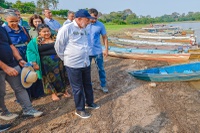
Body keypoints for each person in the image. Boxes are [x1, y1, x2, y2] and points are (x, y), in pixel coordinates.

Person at [55, 9, 100, 119]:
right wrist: (66, 58)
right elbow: (58, 46)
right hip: (73, 64)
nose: (89, 21)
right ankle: (80, 109)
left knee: (88, 84)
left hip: (85, 62)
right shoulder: (67, 28)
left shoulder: (84, 28)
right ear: (79, 19)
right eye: (87, 19)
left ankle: (89, 103)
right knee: (77, 87)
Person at [0, 26, 43, 121]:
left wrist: (19, 59)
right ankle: (4, 112)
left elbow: (11, 46)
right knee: (1, 92)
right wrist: (5, 67)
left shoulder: (1, 29)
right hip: (3, 67)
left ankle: (28, 110)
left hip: (12, 63)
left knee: (20, 87)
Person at [3, 12, 44, 100]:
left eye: (16, 21)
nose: (14, 23)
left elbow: (29, 40)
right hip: (15, 56)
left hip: (26, 53)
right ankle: (25, 97)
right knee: (21, 76)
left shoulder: (23, 29)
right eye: (11, 21)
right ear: (6, 20)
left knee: (31, 72)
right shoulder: (4, 31)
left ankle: (36, 93)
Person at [26, 24, 71, 101]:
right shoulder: (35, 42)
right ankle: (54, 93)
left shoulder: (55, 38)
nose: (47, 33)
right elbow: (30, 51)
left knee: (62, 76)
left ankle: (64, 91)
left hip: (59, 61)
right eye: (44, 32)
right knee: (49, 78)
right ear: (39, 32)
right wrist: (34, 63)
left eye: (48, 31)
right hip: (45, 64)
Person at [87, 8, 109, 93]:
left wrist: (106, 49)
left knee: (101, 69)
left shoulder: (100, 25)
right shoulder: (84, 25)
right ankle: (88, 85)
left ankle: (103, 85)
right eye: (93, 18)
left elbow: (105, 37)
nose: (94, 20)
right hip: (86, 52)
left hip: (97, 52)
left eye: (96, 18)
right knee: (86, 70)